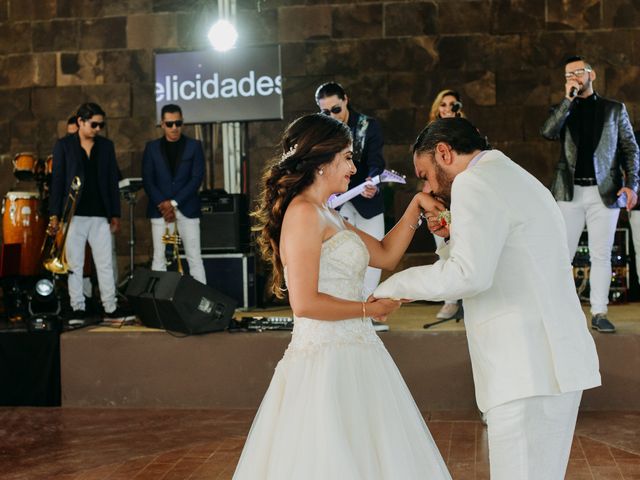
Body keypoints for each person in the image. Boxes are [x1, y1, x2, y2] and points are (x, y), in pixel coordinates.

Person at [373, 117, 601, 480]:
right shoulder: (518, 177)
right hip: (557, 365)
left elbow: (469, 275)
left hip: (522, 368)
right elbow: (500, 260)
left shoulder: (473, 184)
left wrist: (392, 287)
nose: (427, 187)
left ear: (444, 152)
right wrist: (449, 238)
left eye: (425, 174)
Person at [233, 114, 451, 479]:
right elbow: (304, 303)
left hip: (358, 352)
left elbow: (384, 254)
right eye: (347, 157)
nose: (353, 167)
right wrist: (369, 308)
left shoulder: (328, 214)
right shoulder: (303, 214)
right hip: (325, 362)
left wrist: (415, 207)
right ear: (322, 161)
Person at [541, 55, 639, 333]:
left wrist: (632, 185)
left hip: (604, 192)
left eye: (578, 72)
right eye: (568, 75)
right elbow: (547, 132)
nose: (574, 78)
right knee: (561, 255)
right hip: (568, 194)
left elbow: (630, 149)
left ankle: (599, 311)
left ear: (591, 75)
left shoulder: (614, 109)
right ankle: (558, 311)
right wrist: (567, 101)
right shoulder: (562, 108)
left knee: (601, 254)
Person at [314, 81, 388, 331]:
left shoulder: (369, 125)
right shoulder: (323, 131)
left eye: (336, 109)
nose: (332, 116)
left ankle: (369, 311)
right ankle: (350, 311)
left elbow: (377, 161)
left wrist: (373, 183)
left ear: (345, 99)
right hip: (337, 202)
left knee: (373, 254)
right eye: (325, 112)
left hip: (367, 198)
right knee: (342, 257)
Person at [48, 103, 125, 320]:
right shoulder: (63, 146)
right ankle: (77, 307)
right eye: (94, 124)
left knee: (105, 263)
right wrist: (54, 215)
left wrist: (115, 214)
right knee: (75, 264)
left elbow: (111, 181)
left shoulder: (106, 146)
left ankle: (111, 307)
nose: (98, 129)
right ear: (80, 122)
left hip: (100, 213)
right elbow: (57, 182)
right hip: (73, 214)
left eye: (101, 125)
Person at [142, 104, 206, 284]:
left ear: (182, 122)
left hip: (187, 208)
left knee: (194, 257)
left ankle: (201, 305)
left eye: (178, 123)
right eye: (169, 124)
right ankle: (158, 306)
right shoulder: (152, 148)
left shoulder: (194, 146)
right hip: (160, 210)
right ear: (162, 124)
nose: (174, 128)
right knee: (159, 257)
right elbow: (148, 180)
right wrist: (163, 203)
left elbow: (196, 178)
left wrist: (174, 203)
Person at [428, 89, 465, 322]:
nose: (447, 108)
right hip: (440, 196)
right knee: (444, 248)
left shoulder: (466, 131)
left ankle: (469, 301)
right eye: (443, 104)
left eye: (452, 104)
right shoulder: (429, 134)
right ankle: (450, 301)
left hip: (463, 194)